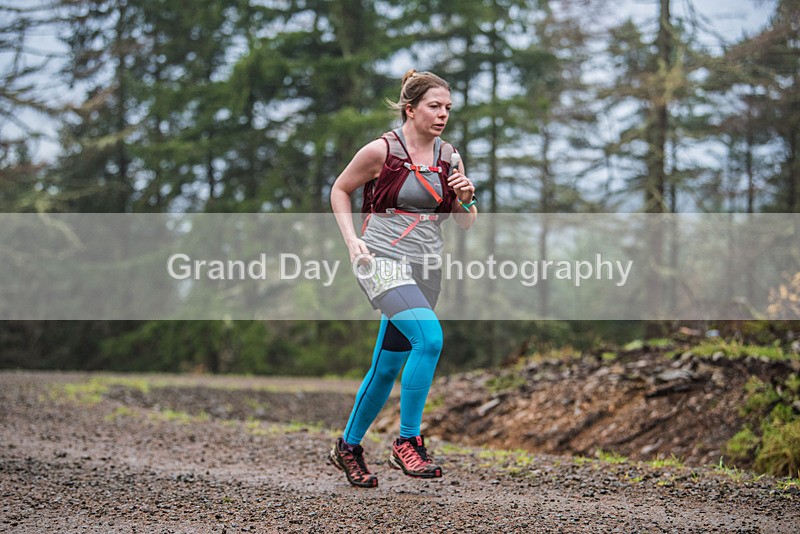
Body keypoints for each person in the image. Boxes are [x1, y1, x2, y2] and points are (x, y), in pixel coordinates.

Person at [328, 69, 477, 488]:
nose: (443, 114)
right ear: (410, 110)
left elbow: (464, 223)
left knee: (387, 365)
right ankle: (407, 442)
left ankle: (349, 447)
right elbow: (340, 189)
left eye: (448, 107)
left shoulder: (449, 156)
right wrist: (352, 241)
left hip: (426, 267)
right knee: (429, 340)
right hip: (382, 261)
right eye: (434, 106)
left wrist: (467, 199)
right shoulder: (381, 150)